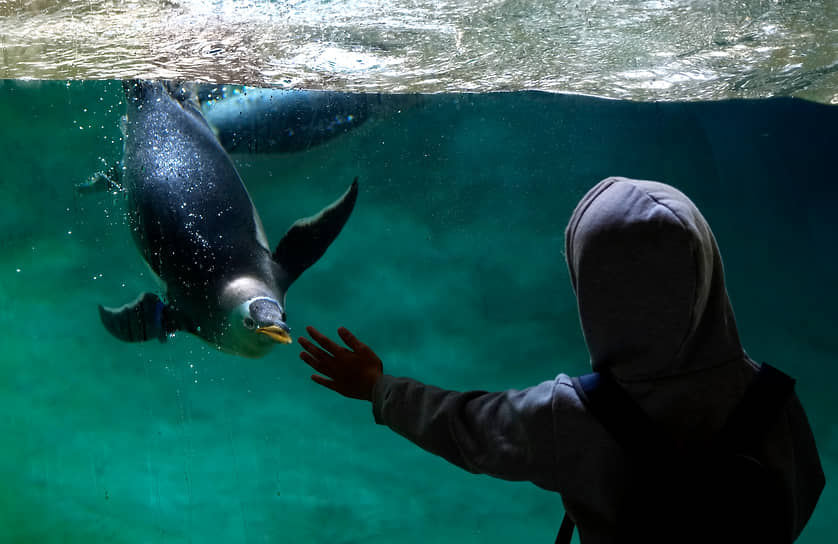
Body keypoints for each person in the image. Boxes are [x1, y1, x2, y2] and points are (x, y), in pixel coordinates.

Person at [297, 176, 824, 543]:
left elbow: (463, 429)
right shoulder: (773, 398)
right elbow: (800, 495)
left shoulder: (573, 416)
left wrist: (378, 387)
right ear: (708, 264)